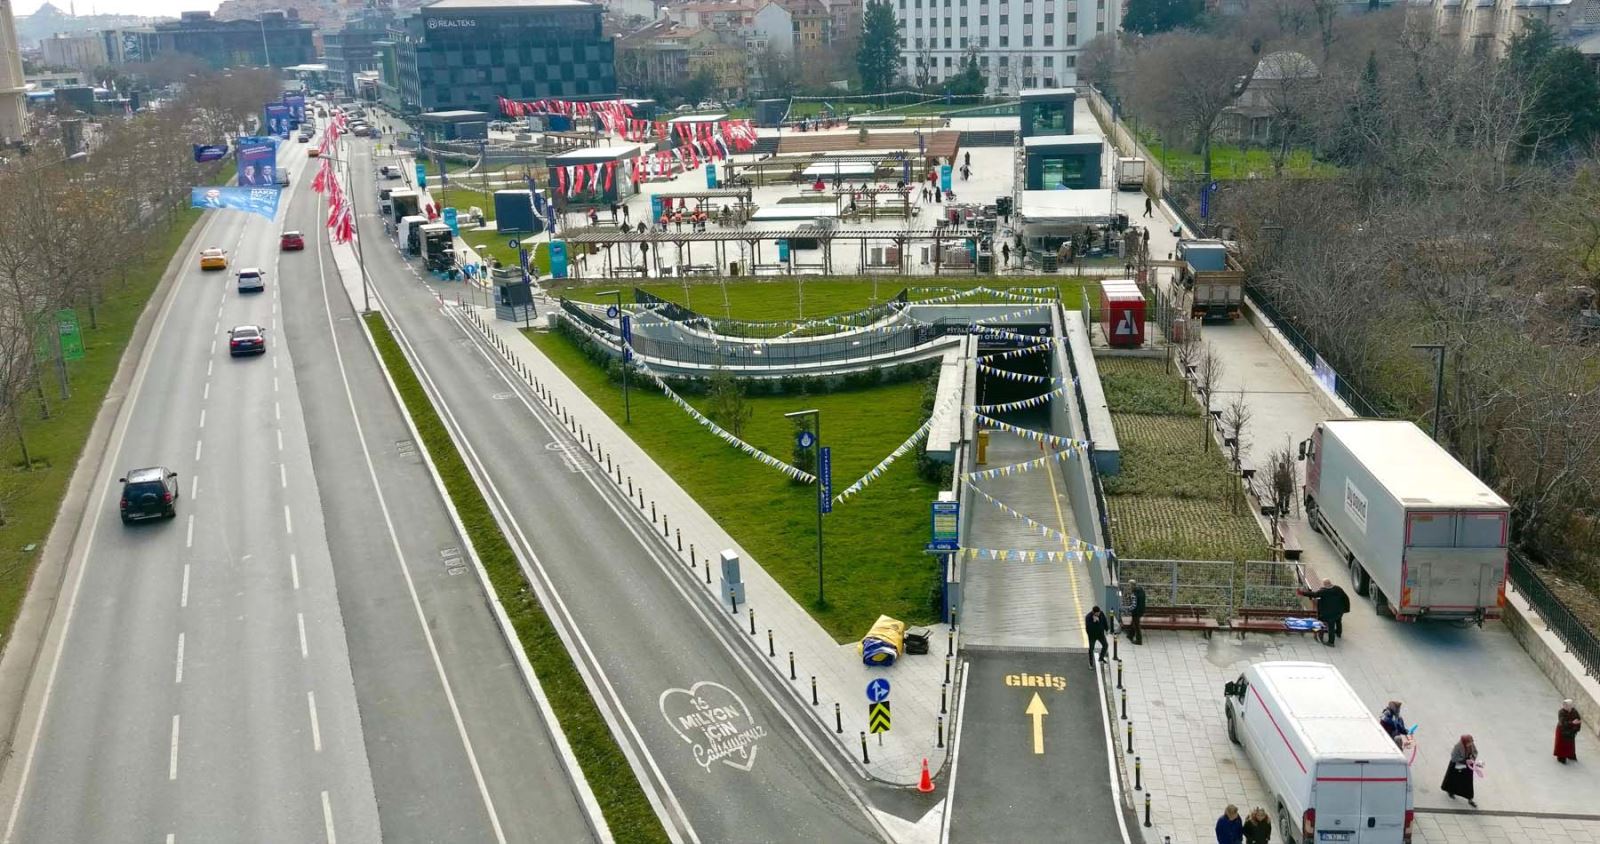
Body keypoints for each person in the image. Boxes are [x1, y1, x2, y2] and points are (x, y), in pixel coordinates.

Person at [1298, 578, 1351, 647]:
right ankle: (1338, 633)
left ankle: (1331, 642)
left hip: (1330, 613)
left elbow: (1314, 594)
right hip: (1339, 611)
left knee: (1331, 627)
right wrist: (1345, 609)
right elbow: (1346, 598)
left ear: (1325, 584)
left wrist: (1302, 593)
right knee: (1338, 621)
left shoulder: (1323, 591)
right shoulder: (1338, 589)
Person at [1442, 734, 1479, 806]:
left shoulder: (1471, 744)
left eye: (1471, 742)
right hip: (1458, 764)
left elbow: (1475, 752)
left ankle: (1470, 798)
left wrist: (1472, 757)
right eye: (1469, 743)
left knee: (1468, 781)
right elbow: (1454, 758)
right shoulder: (1458, 746)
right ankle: (1451, 791)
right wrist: (1464, 760)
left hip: (1468, 764)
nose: (1470, 744)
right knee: (1455, 779)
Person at [1128, 579, 1147, 645]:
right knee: (1134, 622)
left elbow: (1134, 605)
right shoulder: (1141, 590)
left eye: (1129, 585)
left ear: (1132, 585)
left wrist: (1127, 609)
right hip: (1141, 610)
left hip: (1136, 611)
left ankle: (1139, 641)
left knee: (1136, 626)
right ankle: (1130, 635)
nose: (1129, 587)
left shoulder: (1134, 593)